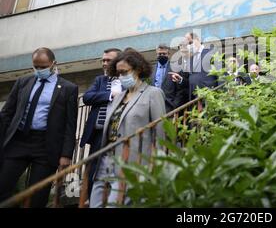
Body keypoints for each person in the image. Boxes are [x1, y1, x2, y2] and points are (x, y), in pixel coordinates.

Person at [0, 47, 78, 207]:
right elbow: (7, 113)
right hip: (18, 141)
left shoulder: (68, 88)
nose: (39, 70)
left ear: (54, 64)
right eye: (36, 66)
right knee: (2, 186)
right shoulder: (23, 82)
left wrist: (66, 154)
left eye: (43, 67)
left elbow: (70, 124)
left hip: (46, 146)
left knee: (38, 196)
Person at [89, 50, 166, 208]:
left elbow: (160, 133)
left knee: (114, 204)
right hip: (106, 158)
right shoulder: (118, 97)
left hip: (132, 161)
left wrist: (157, 164)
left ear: (137, 70)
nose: (121, 76)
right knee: (95, 203)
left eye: (124, 72)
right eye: (118, 73)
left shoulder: (153, 93)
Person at [79, 48, 122, 198]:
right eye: (103, 60)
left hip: (120, 134)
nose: (104, 63)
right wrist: (109, 95)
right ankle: (92, 200)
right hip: (98, 133)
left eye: (108, 60)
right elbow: (87, 97)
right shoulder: (100, 80)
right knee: (94, 171)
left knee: (118, 170)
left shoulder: (128, 80)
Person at [171, 33, 218, 100]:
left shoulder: (211, 53)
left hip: (211, 98)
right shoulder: (190, 59)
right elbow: (192, 80)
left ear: (198, 40)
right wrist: (181, 80)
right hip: (194, 101)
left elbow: (221, 76)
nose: (189, 46)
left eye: (190, 43)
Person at [150, 44, 185, 112]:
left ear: (168, 55)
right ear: (156, 55)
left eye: (164, 54)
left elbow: (180, 89)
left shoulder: (176, 68)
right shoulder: (152, 69)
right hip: (155, 106)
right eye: (159, 54)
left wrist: (175, 105)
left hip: (170, 107)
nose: (162, 55)